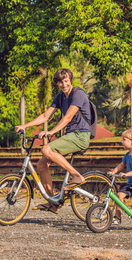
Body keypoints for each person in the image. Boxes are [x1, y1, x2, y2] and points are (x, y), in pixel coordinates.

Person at [15, 68, 91, 214]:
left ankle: (77, 176)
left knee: (46, 149)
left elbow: (68, 117)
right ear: (57, 84)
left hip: (81, 135)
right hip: (70, 135)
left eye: (66, 81)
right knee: (41, 165)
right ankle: (53, 201)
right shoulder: (60, 97)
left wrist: (51, 132)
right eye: (60, 82)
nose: (63, 85)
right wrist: (25, 125)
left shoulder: (78, 94)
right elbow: (45, 116)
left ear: (70, 80)